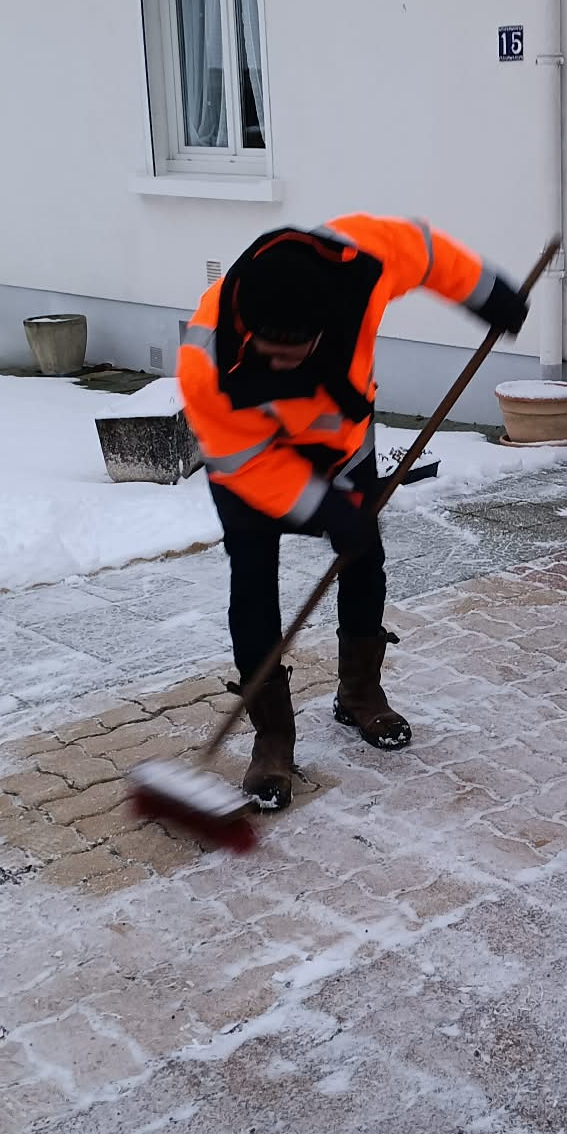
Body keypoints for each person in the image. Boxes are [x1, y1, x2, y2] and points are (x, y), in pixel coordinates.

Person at [178, 217, 528, 807]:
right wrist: (324, 509)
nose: (281, 364)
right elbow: (245, 464)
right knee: (254, 584)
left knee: (364, 559)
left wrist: (484, 292)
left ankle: (360, 694)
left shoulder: (358, 267)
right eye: (270, 353)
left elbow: (423, 251)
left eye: (295, 352)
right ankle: (273, 737)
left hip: (341, 443)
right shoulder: (206, 357)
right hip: (248, 467)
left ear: (325, 323)